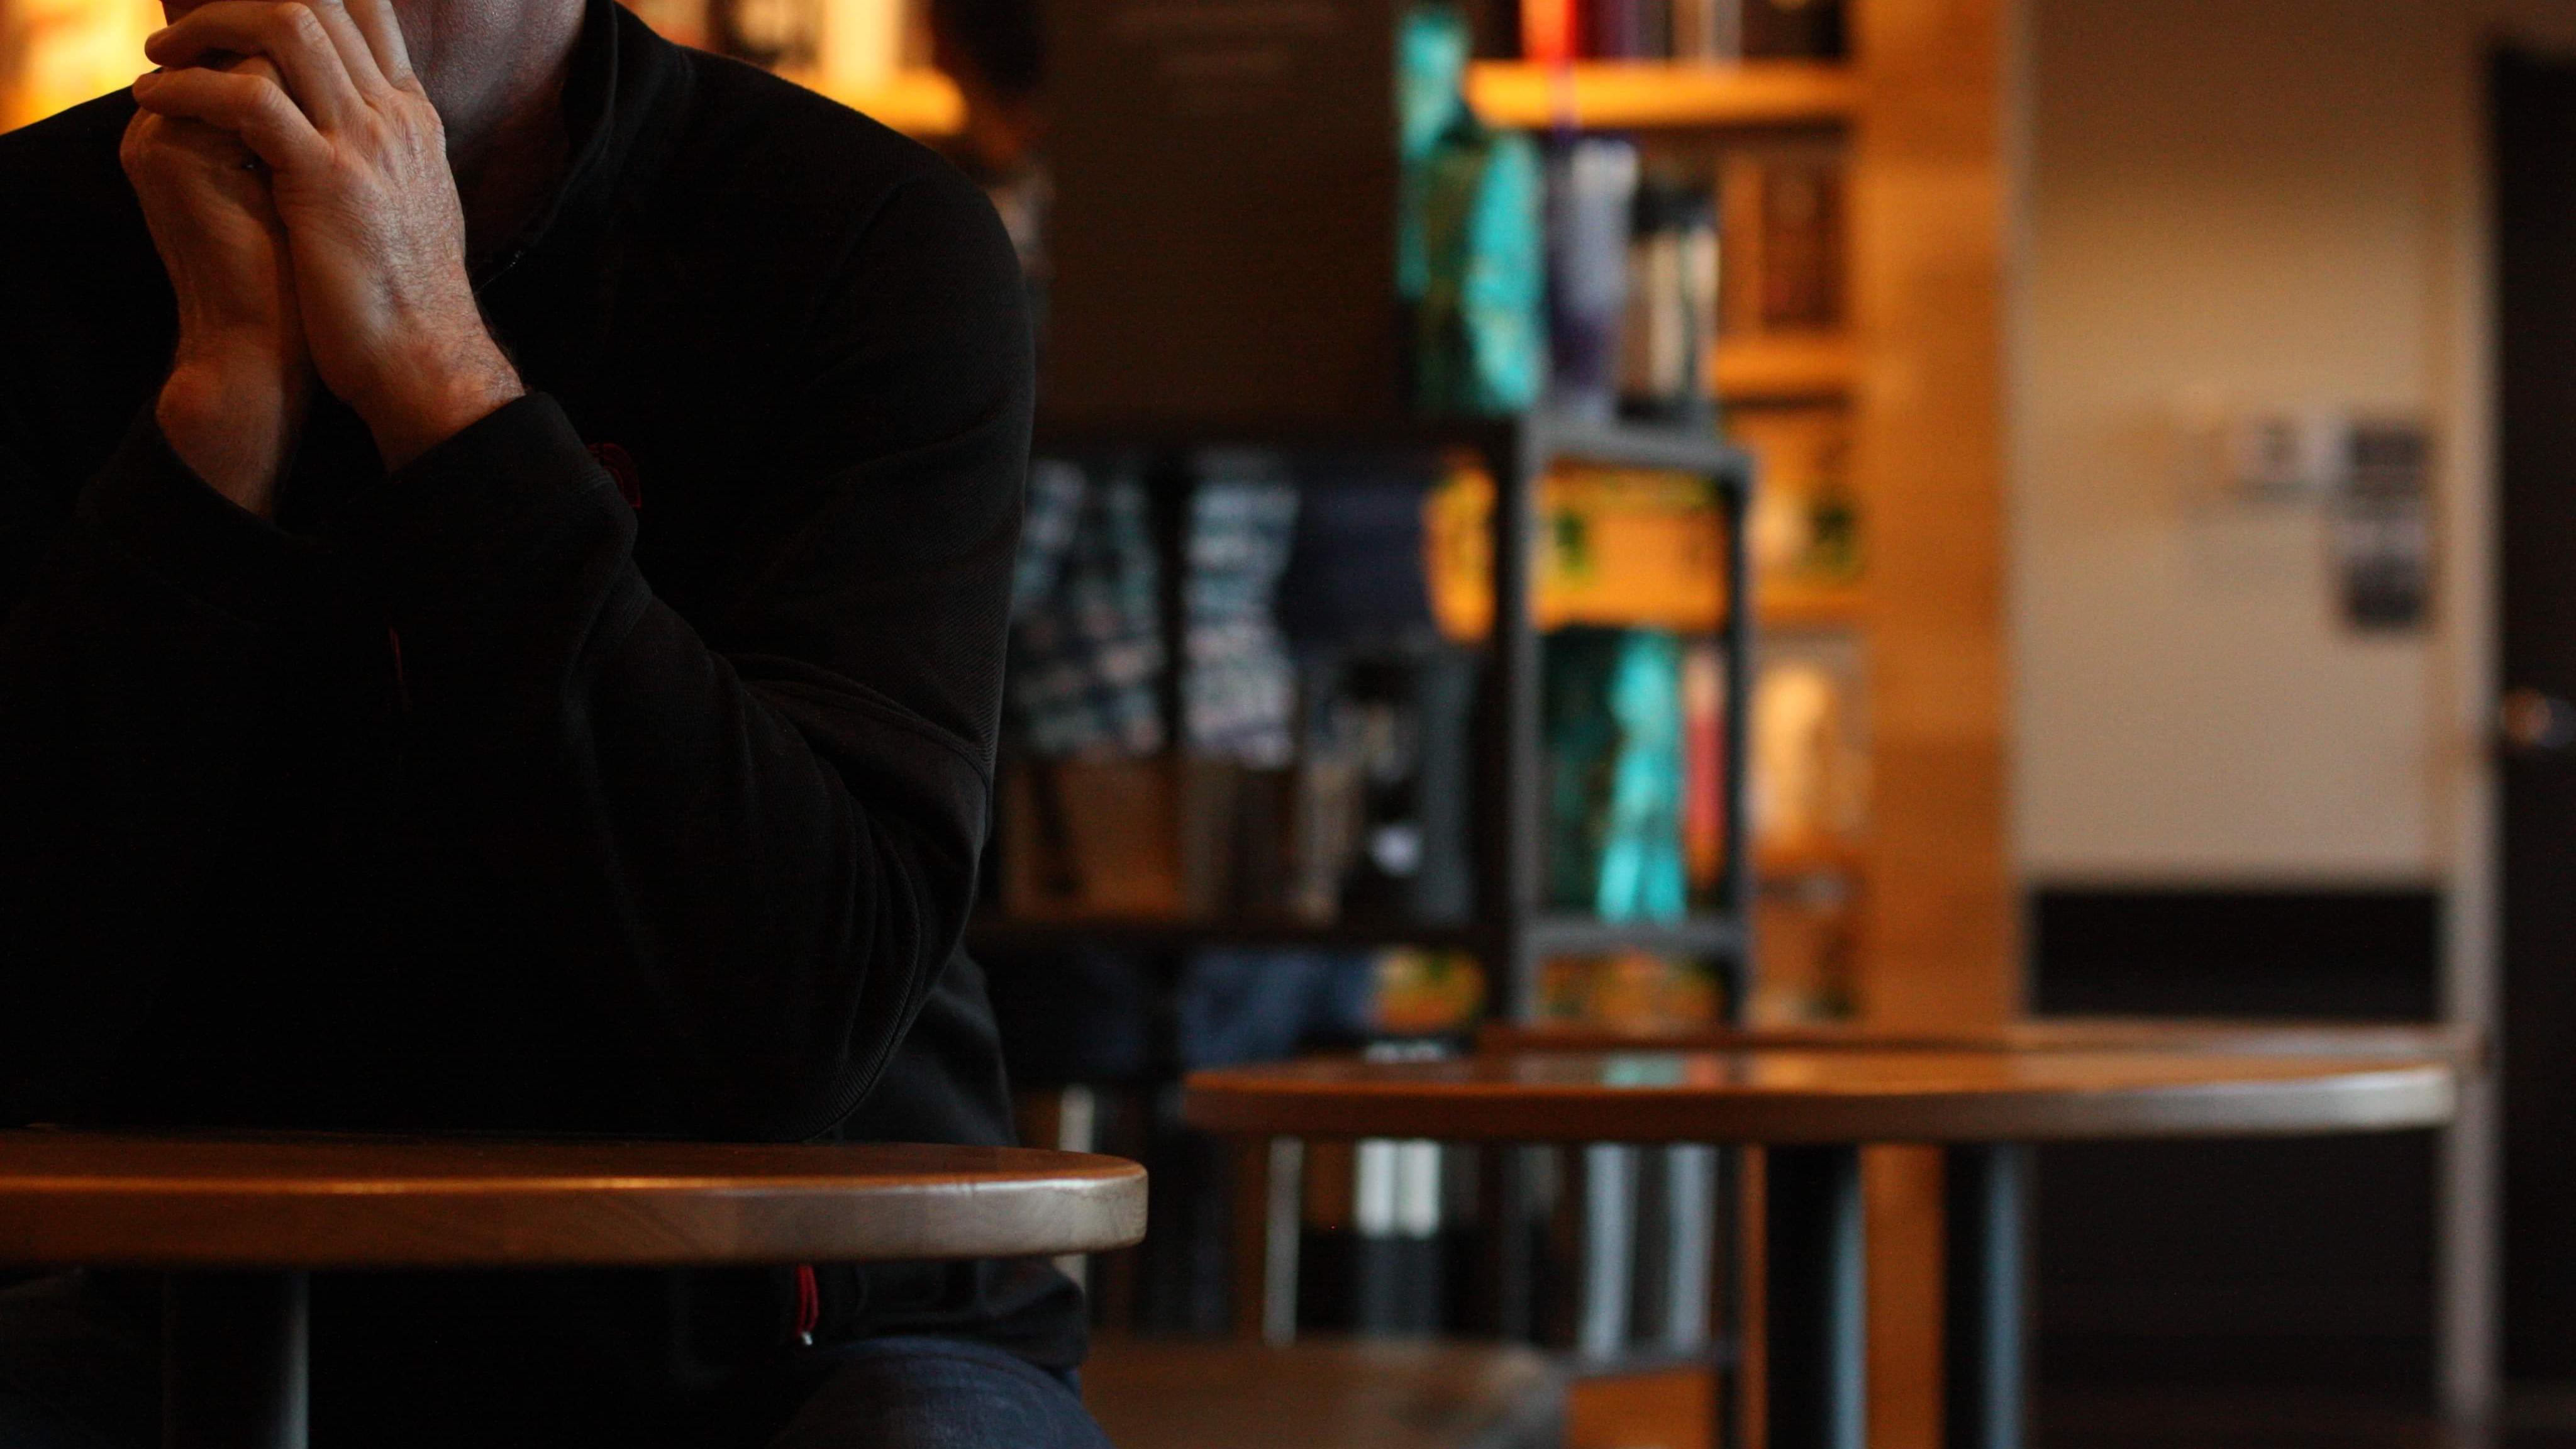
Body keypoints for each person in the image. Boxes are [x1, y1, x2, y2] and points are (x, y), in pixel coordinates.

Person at [0, 1, 1105, 1445]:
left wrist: (435, 375)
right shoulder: (40, 248)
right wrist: (214, 431)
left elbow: (797, 1014)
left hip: (801, 1326)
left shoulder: (853, 235)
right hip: (183, 1310)